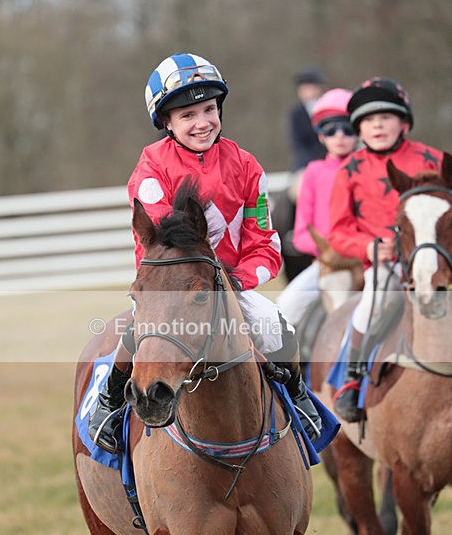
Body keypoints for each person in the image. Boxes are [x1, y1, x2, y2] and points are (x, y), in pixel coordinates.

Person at [89, 52, 322, 451]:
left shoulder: (248, 167)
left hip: (230, 287)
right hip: (171, 288)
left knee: (276, 322)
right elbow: (167, 248)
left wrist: (232, 283)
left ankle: (300, 403)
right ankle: (109, 404)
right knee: (137, 330)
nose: (202, 123)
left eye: (209, 109)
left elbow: (265, 245)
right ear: (166, 122)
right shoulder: (150, 170)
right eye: (187, 115)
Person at [328, 77, 443, 421]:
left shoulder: (433, 159)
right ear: (358, 129)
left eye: (387, 116)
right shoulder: (349, 170)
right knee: (376, 296)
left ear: (404, 122)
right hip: (388, 263)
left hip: (437, 258)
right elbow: (337, 230)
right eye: (368, 119)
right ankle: (352, 378)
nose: (377, 124)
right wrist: (367, 245)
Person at [276, 88, 358, 328]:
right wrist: (330, 250)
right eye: (331, 130)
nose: (340, 136)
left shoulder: (367, 169)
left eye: (348, 128)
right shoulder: (313, 173)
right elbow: (301, 234)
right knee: (284, 308)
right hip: (325, 263)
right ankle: (285, 366)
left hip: (364, 263)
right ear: (320, 136)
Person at [277, 65, 327, 282]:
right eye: (305, 87)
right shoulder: (295, 113)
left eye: (311, 86)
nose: (308, 90)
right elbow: (298, 144)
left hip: (329, 161)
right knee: (297, 191)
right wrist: (312, 165)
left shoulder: (326, 109)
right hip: (305, 164)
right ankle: (291, 234)